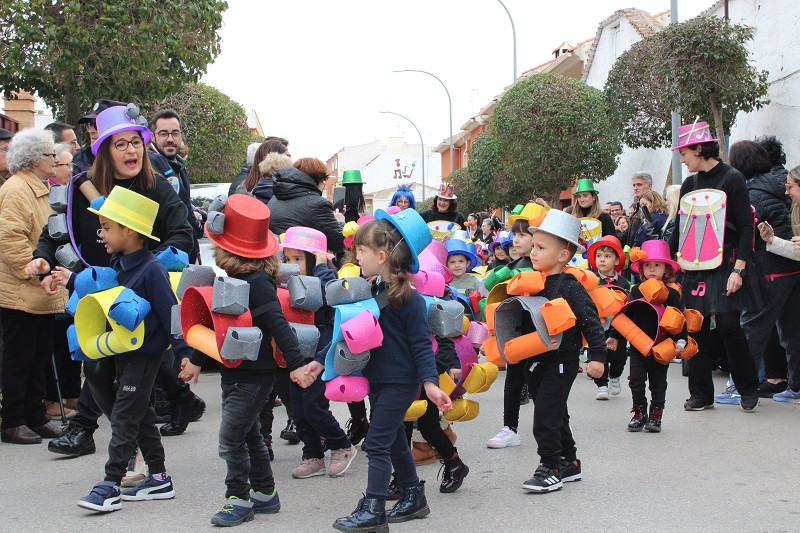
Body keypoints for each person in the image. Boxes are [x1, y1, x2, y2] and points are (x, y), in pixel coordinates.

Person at [30, 104, 199, 458]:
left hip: (139, 292)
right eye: (120, 144)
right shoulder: (83, 188)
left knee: (111, 361)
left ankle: (87, 430)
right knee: (106, 361)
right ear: (106, 151)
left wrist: (147, 267)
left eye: (135, 142)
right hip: (94, 286)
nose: (131, 150)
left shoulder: (157, 187)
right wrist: (42, 259)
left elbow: (182, 235)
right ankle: (181, 402)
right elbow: (55, 232)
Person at [179, 195, 313, 526]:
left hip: (256, 376)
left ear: (229, 250)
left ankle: (238, 498)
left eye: (217, 247)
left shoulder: (258, 283)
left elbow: (277, 325)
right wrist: (196, 358)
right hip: (235, 372)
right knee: (249, 433)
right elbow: (218, 325)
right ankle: (265, 493)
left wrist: (296, 363)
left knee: (231, 437)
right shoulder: (233, 281)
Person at [333, 209, 452, 532]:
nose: (356, 255)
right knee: (395, 436)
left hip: (401, 382)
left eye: (361, 250)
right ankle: (413, 494)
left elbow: (421, 345)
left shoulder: (409, 299)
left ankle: (373, 508)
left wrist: (429, 384)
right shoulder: (371, 291)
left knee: (378, 442)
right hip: (379, 379)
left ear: (382, 255)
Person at [71, 187, 189, 512]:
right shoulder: (120, 264)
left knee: (124, 414)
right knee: (143, 415)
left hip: (146, 356)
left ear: (130, 231)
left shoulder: (152, 269)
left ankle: (110, 484)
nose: (101, 234)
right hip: (124, 352)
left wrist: (184, 356)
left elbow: (170, 313)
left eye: (107, 227)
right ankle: (160, 477)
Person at [669, 120, 760, 411]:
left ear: (698, 148)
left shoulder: (733, 178)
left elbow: (747, 227)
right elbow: (680, 230)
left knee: (730, 324)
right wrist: (659, 258)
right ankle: (700, 394)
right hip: (694, 266)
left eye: (684, 153)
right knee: (695, 328)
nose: (681, 159)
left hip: (727, 262)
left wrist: (739, 269)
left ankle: (747, 387)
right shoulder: (689, 184)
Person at [522, 209, 606, 492]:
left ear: (562, 255)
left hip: (562, 359)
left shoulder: (570, 287)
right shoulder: (532, 284)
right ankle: (569, 462)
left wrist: (598, 356)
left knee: (546, 414)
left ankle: (550, 466)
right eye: (533, 246)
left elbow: (590, 320)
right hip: (536, 359)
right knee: (556, 412)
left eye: (541, 247)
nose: (533, 252)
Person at [0, 128, 68, 445]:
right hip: (20, 294)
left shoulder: (38, 187)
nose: (55, 159)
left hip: (39, 293)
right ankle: (13, 420)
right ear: (32, 159)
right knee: (19, 359)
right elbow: (11, 242)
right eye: (49, 154)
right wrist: (40, 275)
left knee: (38, 357)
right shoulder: (16, 190)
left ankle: (35, 416)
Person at [278, 227, 356, 479]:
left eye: (298, 259)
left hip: (319, 349)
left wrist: (322, 267)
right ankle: (312, 454)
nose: (292, 265)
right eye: (287, 259)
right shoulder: (286, 283)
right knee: (298, 408)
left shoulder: (324, 281)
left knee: (313, 404)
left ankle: (341, 444)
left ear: (314, 260)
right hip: (295, 350)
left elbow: (332, 294)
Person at [730, 143, 800, 403]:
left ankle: (741, 386)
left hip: (770, 270)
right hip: (791, 269)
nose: (788, 189)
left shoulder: (752, 194)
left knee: (752, 328)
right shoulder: (779, 186)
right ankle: (796, 385)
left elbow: (750, 238)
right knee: (791, 332)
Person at [615, 240, 687, 432]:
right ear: (642, 269)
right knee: (635, 379)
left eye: (657, 265)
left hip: (662, 344)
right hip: (639, 344)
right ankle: (639, 412)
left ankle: (656, 414)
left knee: (658, 382)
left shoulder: (672, 293)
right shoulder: (636, 290)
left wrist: (682, 340)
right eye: (647, 265)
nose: (652, 269)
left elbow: (679, 316)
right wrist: (615, 336)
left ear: (666, 269)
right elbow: (625, 315)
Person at [486, 208, 536, 450]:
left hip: (540, 332)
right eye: (514, 234)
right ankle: (510, 427)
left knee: (544, 383)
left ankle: (556, 425)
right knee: (514, 378)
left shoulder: (541, 265)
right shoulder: (513, 263)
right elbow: (489, 285)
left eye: (523, 234)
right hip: (517, 329)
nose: (516, 240)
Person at [150, 109, 203, 263]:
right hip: (167, 257)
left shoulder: (177, 164)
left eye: (175, 133)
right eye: (163, 134)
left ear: (181, 135)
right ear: (153, 136)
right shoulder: (150, 163)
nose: (170, 139)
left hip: (184, 254)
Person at [268, 157, 344, 254]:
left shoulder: (275, 198)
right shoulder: (318, 204)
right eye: (323, 181)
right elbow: (339, 242)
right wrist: (341, 222)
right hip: (304, 262)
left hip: (278, 258)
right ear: (318, 180)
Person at [586, 235, 631, 400]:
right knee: (599, 353)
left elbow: (628, 305)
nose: (602, 260)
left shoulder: (624, 283)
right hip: (598, 325)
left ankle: (615, 375)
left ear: (617, 260)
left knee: (619, 356)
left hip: (619, 327)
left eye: (607, 256)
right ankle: (602, 384)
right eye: (599, 256)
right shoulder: (593, 280)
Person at [622, 172, 653, 249]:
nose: (635, 188)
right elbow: (628, 236)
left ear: (649, 186)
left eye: (639, 185)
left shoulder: (654, 206)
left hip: (646, 254)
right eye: (634, 185)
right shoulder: (637, 207)